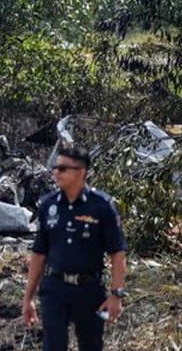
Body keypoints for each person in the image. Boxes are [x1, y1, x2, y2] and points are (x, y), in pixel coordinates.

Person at [22, 147, 128, 351]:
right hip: (54, 289)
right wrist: (28, 298)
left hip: (89, 290)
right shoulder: (48, 205)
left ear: (80, 172)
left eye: (62, 169)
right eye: (55, 168)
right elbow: (39, 253)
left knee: (91, 345)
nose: (56, 173)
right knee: (53, 345)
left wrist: (116, 295)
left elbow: (117, 253)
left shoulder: (101, 206)